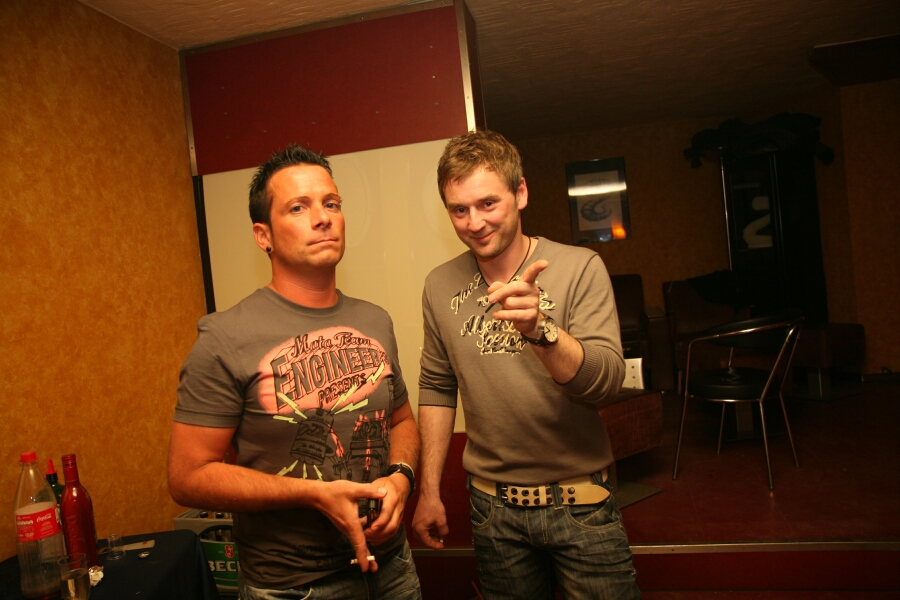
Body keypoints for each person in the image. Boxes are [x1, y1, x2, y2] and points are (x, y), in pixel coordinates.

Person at [168, 144, 422, 600]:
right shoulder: (225, 337)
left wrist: (401, 476)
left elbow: (402, 420)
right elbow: (188, 476)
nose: (322, 218)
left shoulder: (374, 320)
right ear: (263, 236)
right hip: (292, 588)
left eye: (331, 203)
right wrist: (312, 494)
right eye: (298, 208)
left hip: (392, 570)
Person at [411, 130, 641, 599]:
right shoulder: (439, 285)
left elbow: (606, 382)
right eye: (459, 209)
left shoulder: (579, 267)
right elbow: (437, 386)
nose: (475, 222)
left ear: (520, 193)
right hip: (492, 510)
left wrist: (541, 329)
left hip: (582, 503)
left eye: (488, 203)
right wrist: (428, 490)